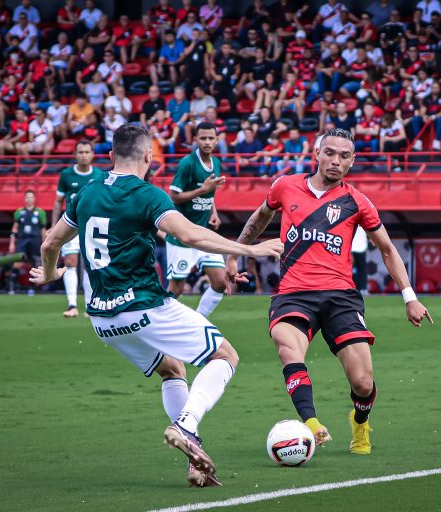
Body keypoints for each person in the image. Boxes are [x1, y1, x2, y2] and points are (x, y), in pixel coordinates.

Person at [28, 123, 282, 487]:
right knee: (225, 356)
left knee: (172, 369)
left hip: (102, 319)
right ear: (149, 156)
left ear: (111, 155)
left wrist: (52, 275)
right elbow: (190, 234)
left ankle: (194, 460)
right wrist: (250, 249)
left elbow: (51, 242)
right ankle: (186, 425)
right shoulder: (148, 194)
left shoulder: (85, 193)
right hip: (145, 306)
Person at [226, 128, 432, 454]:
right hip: (293, 294)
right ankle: (311, 424)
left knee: (363, 383)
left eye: (344, 156)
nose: (336, 161)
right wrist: (233, 255)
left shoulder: (358, 202)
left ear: (351, 162)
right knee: (287, 349)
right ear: (317, 154)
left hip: (340, 296)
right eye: (330, 153)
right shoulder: (285, 186)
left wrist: (410, 297)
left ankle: (360, 424)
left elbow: (388, 250)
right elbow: (257, 220)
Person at [165, 122, 228, 317]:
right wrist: (203, 190)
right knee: (176, 288)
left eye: (211, 138)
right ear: (195, 140)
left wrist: (213, 213)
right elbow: (173, 196)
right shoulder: (187, 163)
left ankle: (199, 321)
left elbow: (209, 195)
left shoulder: (216, 163)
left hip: (204, 233)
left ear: (217, 140)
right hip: (181, 236)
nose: (207, 142)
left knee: (220, 281)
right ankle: (159, 324)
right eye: (203, 138)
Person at [51, 141, 104, 318]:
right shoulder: (66, 175)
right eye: (80, 152)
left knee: (91, 264)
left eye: (86, 152)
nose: (83, 155)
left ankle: (90, 305)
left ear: (92, 155)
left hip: (93, 226)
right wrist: (53, 226)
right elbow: (58, 202)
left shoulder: (99, 175)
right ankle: (72, 305)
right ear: (75, 154)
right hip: (71, 224)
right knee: (71, 262)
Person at [9, 190, 47, 295]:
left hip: (35, 239)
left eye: (31, 197)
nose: (29, 199)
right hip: (22, 239)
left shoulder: (40, 212)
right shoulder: (19, 212)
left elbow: (43, 229)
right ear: (25, 199)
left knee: (33, 264)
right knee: (17, 263)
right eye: (27, 197)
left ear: (34, 199)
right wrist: (12, 243)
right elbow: (15, 228)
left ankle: (32, 288)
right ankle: (12, 287)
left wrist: (44, 243)